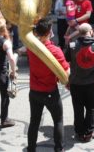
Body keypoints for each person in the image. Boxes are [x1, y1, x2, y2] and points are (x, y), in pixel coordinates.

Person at [27, 18, 70, 152]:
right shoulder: (55, 51)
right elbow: (67, 72)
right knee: (58, 121)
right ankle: (59, 149)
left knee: (34, 122)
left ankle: (31, 149)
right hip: (50, 90)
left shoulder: (31, 47)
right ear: (47, 33)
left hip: (34, 91)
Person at [65, 23, 94, 142]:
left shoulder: (71, 45)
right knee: (91, 108)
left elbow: (66, 60)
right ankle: (88, 132)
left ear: (79, 33)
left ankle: (79, 132)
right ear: (91, 31)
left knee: (78, 108)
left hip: (76, 83)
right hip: (93, 83)